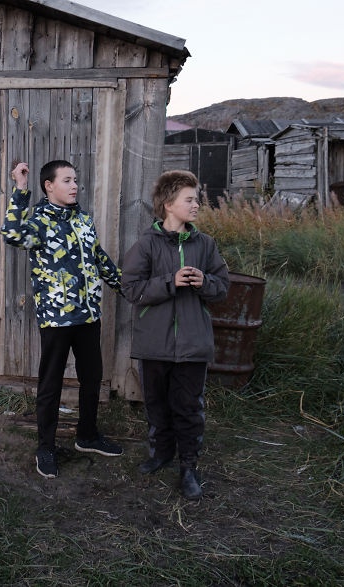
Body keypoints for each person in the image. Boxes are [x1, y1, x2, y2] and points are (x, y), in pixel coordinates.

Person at [1, 159, 124, 479]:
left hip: (87, 315)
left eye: (75, 180)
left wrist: (127, 288)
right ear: (49, 185)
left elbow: (99, 257)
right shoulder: (39, 221)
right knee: (51, 384)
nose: (74, 186)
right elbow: (11, 235)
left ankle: (87, 436)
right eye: (67, 180)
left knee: (92, 378)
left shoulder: (83, 219)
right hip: (56, 318)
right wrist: (20, 191)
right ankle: (46, 447)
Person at [121, 170, 230, 499]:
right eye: (190, 199)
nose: (197, 205)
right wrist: (170, 282)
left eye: (197, 199)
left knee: (188, 407)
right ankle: (160, 454)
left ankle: (189, 467)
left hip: (194, 345)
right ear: (169, 204)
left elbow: (222, 287)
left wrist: (203, 283)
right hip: (154, 344)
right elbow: (131, 289)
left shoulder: (206, 244)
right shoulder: (146, 244)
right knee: (156, 404)